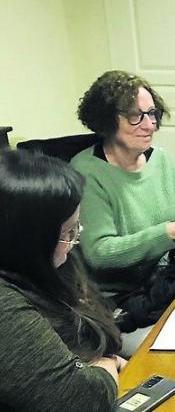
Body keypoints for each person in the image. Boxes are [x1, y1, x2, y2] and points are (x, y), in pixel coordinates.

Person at [71, 70, 175, 355]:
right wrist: (170, 232)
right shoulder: (86, 172)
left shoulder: (159, 160)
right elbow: (99, 253)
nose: (149, 125)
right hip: (121, 302)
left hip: (165, 282)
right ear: (107, 120)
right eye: (136, 116)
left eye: (152, 114)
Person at [0, 149, 123, 410]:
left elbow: (95, 336)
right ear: (24, 239)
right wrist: (106, 365)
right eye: (67, 232)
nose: (73, 242)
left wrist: (104, 362)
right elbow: (81, 401)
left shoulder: (51, 263)